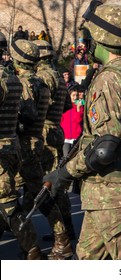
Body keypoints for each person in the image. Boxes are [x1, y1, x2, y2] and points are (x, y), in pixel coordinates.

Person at [43, 2, 121, 260]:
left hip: (115, 198)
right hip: (112, 194)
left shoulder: (110, 78)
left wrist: (64, 174)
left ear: (100, 38)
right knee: (88, 257)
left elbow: (104, 149)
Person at [11, 39, 73, 260]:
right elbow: (66, 105)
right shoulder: (49, 79)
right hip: (46, 134)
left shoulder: (30, 82)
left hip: (31, 140)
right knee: (33, 192)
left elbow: (26, 116)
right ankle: (32, 240)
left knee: (36, 193)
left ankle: (59, 240)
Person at [0, 30, 43, 260]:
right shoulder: (14, 79)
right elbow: (28, 115)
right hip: (12, 144)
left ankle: (33, 251)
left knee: (8, 205)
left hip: (1, 149)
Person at [33, 39, 76, 242]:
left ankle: (62, 233)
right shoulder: (58, 77)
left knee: (45, 185)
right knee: (57, 185)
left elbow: (36, 106)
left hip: (45, 132)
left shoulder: (42, 77)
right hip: (57, 129)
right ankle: (66, 229)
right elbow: (67, 104)